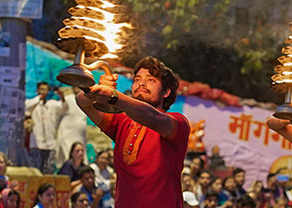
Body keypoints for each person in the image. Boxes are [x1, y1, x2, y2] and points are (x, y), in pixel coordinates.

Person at [76, 56, 190, 207]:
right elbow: (81, 102)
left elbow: (152, 117)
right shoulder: (121, 121)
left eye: (150, 80)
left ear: (166, 92)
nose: (141, 83)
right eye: (137, 79)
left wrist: (114, 96)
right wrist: (95, 91)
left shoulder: (178, 122)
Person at [25, 81, 68, 174]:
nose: (44, 91)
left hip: (50, 144)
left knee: (48, 171)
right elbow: (26, 107)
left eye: (45, 89)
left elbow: (64, 109)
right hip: (36, 145)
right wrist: (39, 97)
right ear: (37, 91)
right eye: (41, 89)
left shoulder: (52, 104)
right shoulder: (33, 103)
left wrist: (62, 96)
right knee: (35, 171)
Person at [56, 87, 88, 168]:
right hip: (67, 134)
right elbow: (58, 113)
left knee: (81, 157)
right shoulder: (67, 99)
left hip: (80, 135)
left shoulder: (85, 100)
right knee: (68, 156)